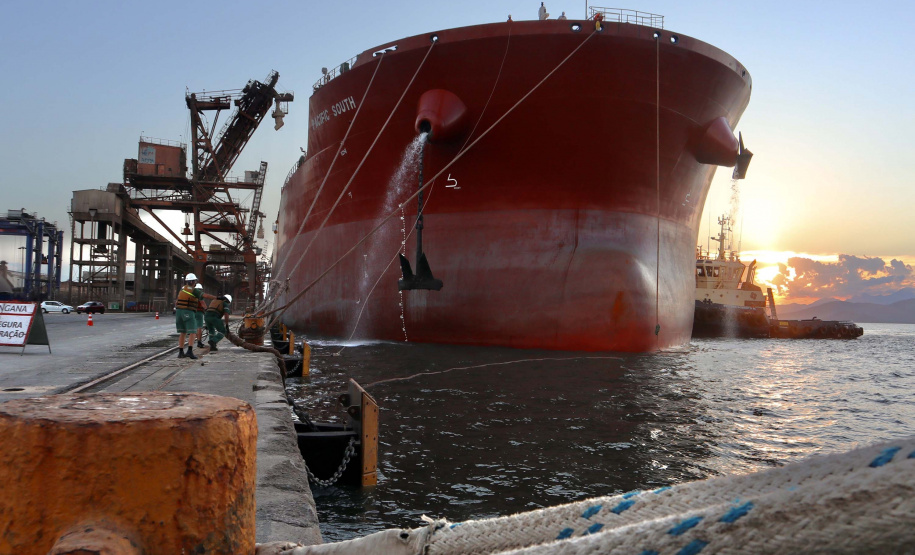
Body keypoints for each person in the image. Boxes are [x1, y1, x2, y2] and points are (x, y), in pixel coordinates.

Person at [174, 273, 215, 359]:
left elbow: (177, 302)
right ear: (192, 281)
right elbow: (205, 296)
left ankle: (181, 352)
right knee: (193, 331)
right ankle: (189, 351)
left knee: (183, 332)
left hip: (179, 312)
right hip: (188, 312)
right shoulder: (193, 290)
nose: (195, 282)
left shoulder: (182, 289)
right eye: (195, 281)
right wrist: (218, 297)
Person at [194, 283, 207, 348]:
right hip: (199, 312)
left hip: (192, 312)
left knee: (194, 328)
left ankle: (192, 342)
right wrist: (206, 309)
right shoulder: (199, 295)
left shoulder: (192, 295)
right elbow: (202, 303)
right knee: (199, 327)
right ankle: (199, 342)